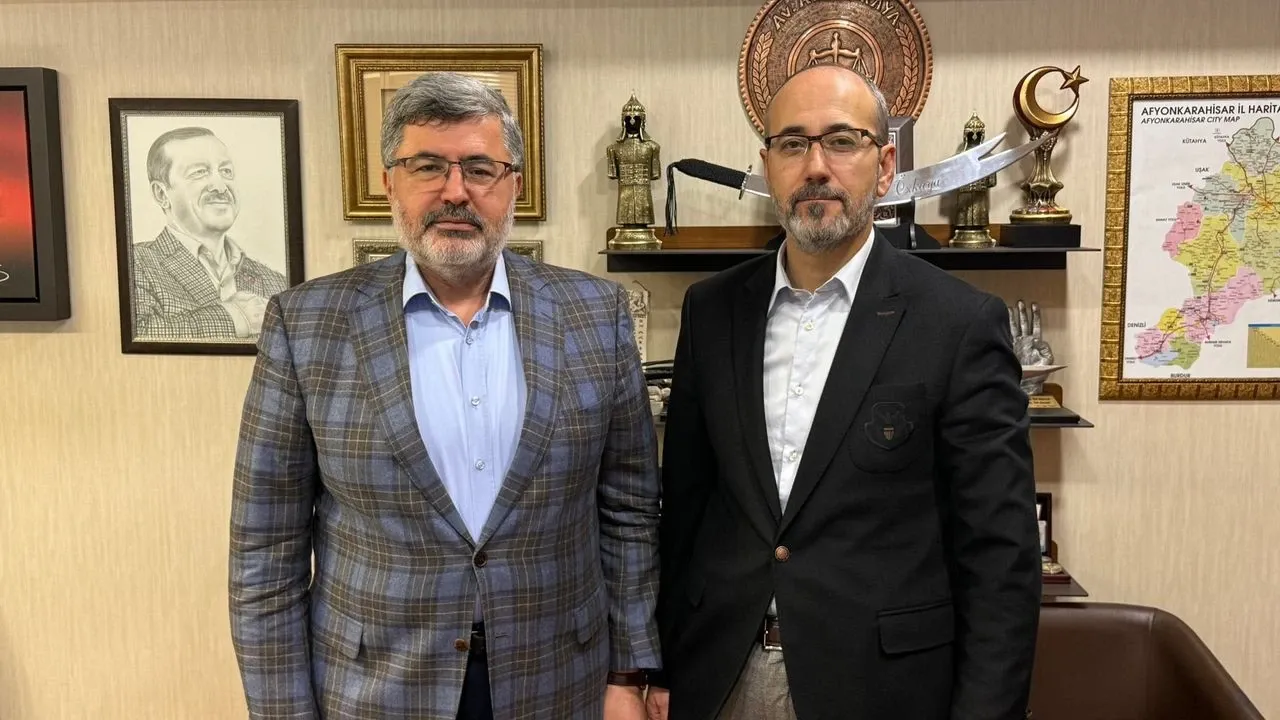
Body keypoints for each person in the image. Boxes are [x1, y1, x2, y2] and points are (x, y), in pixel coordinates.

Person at [228, 71, 661, 720]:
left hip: (558, 680)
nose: (456, 191)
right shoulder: (306, 323)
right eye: (428, 165)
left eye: (480, 168)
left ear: (514, 185)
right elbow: (265, 553)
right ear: (389, 182)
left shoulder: (596, 313)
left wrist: (630, 670)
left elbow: (628, 511)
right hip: (376, 689)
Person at [646, 64, 1041, 720]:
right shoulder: (712, 311)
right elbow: (685, 510)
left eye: (841, 141)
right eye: (792, 144)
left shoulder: (958, 323)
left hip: (883, 689)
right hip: (720, 677)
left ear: (884, 167)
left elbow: (999, 556)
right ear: (768, 165)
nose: (815, 167)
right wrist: (659, 667)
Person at [132, 127, 287, 340]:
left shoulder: (276, 282)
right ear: (161, 194)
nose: (221, 187)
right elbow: (138, 332)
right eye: (199, 172)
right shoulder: (135, 264)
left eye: (226, 171)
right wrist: (234, 318)